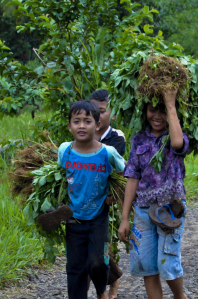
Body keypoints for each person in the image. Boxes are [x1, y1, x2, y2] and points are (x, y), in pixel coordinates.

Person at [118, 89, 189, 299]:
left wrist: (170, 103)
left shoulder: (177, 134)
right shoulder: (139, 139)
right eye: (151, 110)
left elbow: (177, 145)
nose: (157, 116)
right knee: (146, 265)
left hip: (170, 208)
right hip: (142, 210)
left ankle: (180, 297)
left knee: (167, 262)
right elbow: (132, 178)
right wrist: (124, 217)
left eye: (162, 111)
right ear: (144, 112)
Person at [59, 100, 125, 299]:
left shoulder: (107, 153)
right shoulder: (65, 151)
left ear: (97, 125)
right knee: (75, 268)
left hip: (98, 217)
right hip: (73, 217)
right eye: (76, 121)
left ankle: (102, 290)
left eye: (87, 121)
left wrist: (116, 195)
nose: (81, 126)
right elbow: (60, 178)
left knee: (98, 262)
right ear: (69, 125)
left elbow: (127, 174)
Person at [89, 89, 126, 299]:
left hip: (108, 199)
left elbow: (114, 169)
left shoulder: (116, 137)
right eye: (94, 110)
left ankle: (110, 284)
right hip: (86, 199)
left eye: (102, 111)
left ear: (111, 113)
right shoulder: (82, 132)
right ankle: (112, 279)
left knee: (102, 247)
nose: (98, 115)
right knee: (93, 247)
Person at [90, 89, 126, 156]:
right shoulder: (83, 133)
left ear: (113, 114)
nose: (96, 115)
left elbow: (105, 160)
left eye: (102, 111)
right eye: (93, 110)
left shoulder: (118, 137)